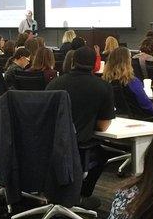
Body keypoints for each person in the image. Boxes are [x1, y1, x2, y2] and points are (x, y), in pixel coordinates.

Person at [47, 46, 115, 202]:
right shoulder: (103, 87)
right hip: (79, 147)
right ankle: (82, 195)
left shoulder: (54, 84)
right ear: (95, 64)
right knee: (103, 154)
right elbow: (103, 126)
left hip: (51, 145)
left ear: (72, 61)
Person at [103, 47, 153, 116]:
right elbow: (147, 106)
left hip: (121, 117)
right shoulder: (132, 82)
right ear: (128, 61)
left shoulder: (106, 81)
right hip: (143, 118)